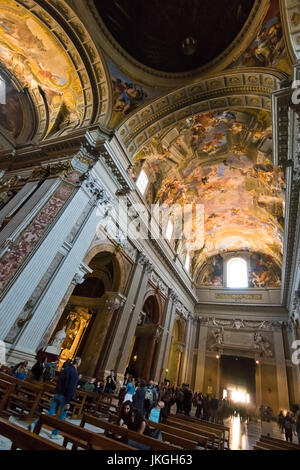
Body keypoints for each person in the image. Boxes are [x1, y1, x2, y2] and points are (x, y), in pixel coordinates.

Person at [29, 357, 81, 438]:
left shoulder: (66, 369)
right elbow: (71, 387)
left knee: (50, 412)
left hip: (57, 393)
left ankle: (34, 424)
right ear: (78, 363)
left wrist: (56, 392)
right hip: (64, 396)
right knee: (62, 416)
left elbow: (59, 381)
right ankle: (54, 434)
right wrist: (68, 401)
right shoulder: (74, 373)